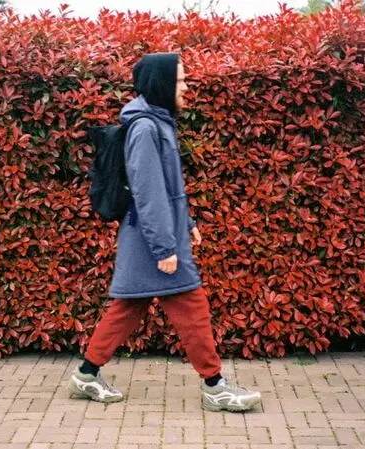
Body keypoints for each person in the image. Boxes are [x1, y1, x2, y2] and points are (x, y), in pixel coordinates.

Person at [68, 53, 262, 412]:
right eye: (180, 81)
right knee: (192, 307)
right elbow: (148, 191)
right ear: (161, 84)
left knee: (128, 307)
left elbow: (170, 188)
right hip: (153, 239)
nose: (186, 87)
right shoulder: (145, 128)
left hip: (159, 235)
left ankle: (86, 375)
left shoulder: (158, 122)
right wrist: (164, 248)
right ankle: (215, 387)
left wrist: (187, 224)